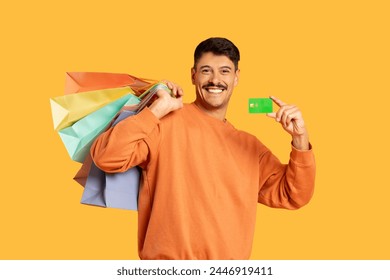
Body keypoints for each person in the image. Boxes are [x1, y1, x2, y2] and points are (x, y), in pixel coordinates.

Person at [90, 37, 316, 260]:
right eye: (206, 70)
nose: (215, 80)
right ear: (193, 75)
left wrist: (300, 138)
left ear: (236, 77)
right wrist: (156, 110)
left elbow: (294, 195)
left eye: (225, 71)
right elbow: (107, 157)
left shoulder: (251, 148)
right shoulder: (166, 121)